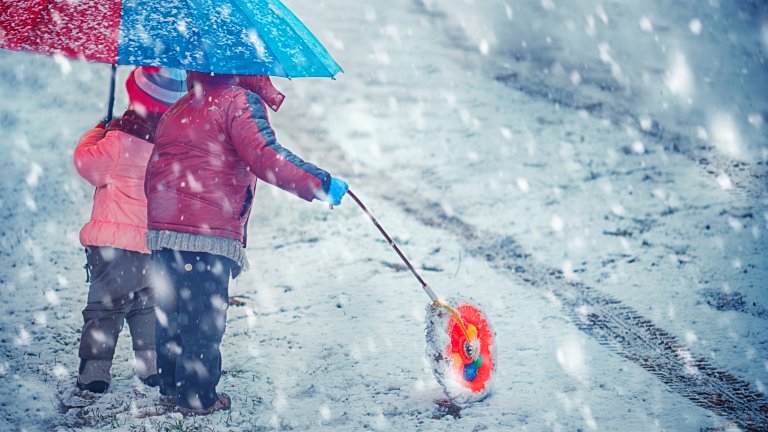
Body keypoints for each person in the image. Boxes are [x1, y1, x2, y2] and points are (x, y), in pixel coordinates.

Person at [145, 71, 348, 415]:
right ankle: (196, 397)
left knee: (172, 313)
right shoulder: (237, 101)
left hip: (165, 229)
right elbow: (265, 155)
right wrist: (318, 182)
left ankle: (170, 388)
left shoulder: (179, 107)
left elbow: (155, 169)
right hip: (207, 233)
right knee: (201, 318)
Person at [73, 66, 187, 393]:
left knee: (104, 308)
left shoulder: (118, 139)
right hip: (152, 244)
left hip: (113, 247)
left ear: (133, 98)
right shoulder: (170, 144)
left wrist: (97, 132)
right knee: (146, 305)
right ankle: (149, 366)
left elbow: (87, 164)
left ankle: (94, 371)